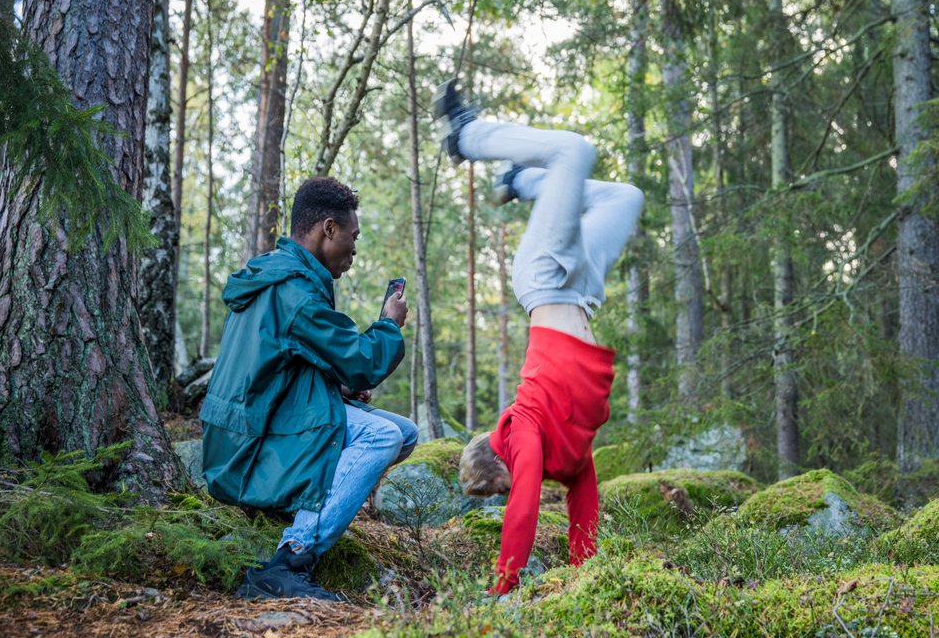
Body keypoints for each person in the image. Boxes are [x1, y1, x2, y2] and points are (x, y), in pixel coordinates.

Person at [436, 79, 644, 595]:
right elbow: (584, 506)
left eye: (501, 486)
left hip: (546, 279)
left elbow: (525, 507)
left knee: (574, 150)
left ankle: (468, 137)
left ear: (498, 460)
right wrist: (584, 579)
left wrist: (502, 587)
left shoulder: (521, 432)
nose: (513, 489)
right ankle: (523, 180)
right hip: (582, 289)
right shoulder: (565, 454)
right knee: (625, 197)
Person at [200, 177, 418, 601]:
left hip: (248, 434)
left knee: (406, 433)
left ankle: (301, 512)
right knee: (382, 435)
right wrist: (389, 323)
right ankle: (290, 559)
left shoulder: (279, 278)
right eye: (351, 242)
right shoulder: (296, 292)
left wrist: (335, 387)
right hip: (248, 451)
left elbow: (281, 366)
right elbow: (362, 362)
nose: (352, 255)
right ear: (328, 229)